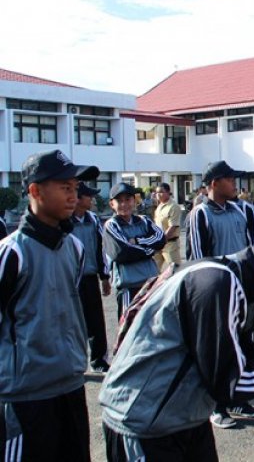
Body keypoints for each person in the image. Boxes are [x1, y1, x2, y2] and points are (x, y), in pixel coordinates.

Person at [100, 233, 254, 462]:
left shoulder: (241, 282)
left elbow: (240, 358)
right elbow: (231, 382)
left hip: (184, 418)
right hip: (145, 425)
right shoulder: (218, 283)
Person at [0, 150, 99, 461]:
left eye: (75, 188)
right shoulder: (11, 253)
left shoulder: (75, 247)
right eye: (65, 188)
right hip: (25, 395)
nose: (74, 196)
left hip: (70, 384)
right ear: (35, 191)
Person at [186, 160, 254, 428]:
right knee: (217, 350)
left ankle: (238, 397)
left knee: (241, 347)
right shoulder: (200, 214)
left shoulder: (239, 211)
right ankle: (216, 405)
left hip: (241, 291)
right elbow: (198, 260)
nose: (235, 185)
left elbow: (249, 250)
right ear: (214, 183)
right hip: (217, 294)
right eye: (230, 180)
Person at [104, 182, 166, 320]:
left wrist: (138, 241)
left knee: (152, 324)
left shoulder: (144, 220)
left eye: (128, 199)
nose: (124, 204)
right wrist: (150, 251)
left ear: (134, 201)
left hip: (150, 283)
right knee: (128, 327)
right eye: (119, 201)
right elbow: (121, 253)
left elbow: (161, 239)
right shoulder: (112, 225)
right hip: (128, 287)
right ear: (111, 204)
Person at [71, 182, 112, 373]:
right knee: (74, 323)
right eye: (89, 196)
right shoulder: (65, 221)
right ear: (78, 199)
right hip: (71, 281)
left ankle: (99, 361)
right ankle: (75, 364)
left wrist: (104, 276)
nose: (93, 200)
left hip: (90, 278)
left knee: (96, 321)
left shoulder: (93, 219)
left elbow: (99, 249)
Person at [153, 182, 181, 270]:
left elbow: (173, 226)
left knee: (175, 270)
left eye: (161, 192)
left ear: (168, 192)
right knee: (153, 269)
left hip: (170, 244)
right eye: (157, 192)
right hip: (159, 243)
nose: (158, 195)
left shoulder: (173, 206)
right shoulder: (159, 207)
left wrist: (162, 240)